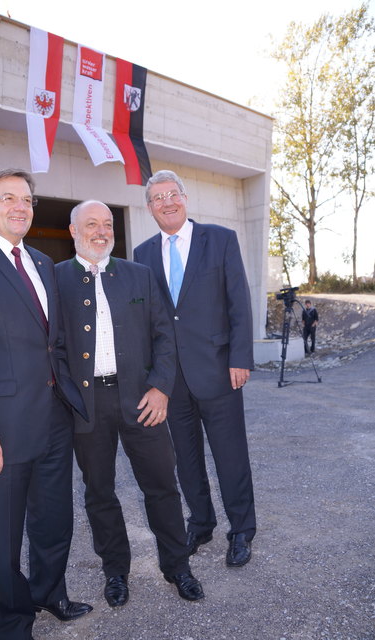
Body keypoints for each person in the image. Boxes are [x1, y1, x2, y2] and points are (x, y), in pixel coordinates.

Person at [0, 169, 92, 640]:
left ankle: (49, 593)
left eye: (27, 199)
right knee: (0, 536)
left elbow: (53, 341)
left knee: (54, 520)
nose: (20, 207)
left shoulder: (43, 261)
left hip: (53, 416)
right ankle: (12, 620)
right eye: (7, 198)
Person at [56, 200, 204, 608]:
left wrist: (160, 387)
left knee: (161, 486)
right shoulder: (55, 280)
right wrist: (68, 397)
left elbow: (164, 338)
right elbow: (53, 347)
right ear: (73, 231)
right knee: (99, 491)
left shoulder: (139, 276)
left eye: (107, 224)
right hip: (87, 405)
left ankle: (178, 567)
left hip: (142, 399)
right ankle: (116, 572)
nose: (101, 231)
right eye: (91, 224)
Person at [134, 169, 256, 568]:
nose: (167, 202)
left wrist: (240, 357)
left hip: (219, 369)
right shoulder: (143, 253)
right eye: (158, 198)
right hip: (172, 379)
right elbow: (151, 320)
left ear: (185, 198)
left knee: (230, 456)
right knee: (185, 459)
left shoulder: (219, 239)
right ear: (149, 207)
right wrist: (153, 377)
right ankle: (201, 523)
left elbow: (238, 301)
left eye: (173, 194)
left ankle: (241, 530)